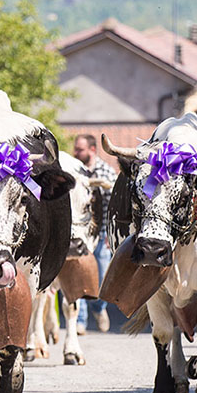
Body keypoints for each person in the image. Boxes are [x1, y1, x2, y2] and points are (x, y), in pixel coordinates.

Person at [72, 133, 117, 334]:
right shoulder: (74, 171)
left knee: (101, 275)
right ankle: (79, 321)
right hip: (80, 233)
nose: (76, 152)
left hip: (101, 234)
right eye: (76, 149)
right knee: (78, 273)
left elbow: (115, 205)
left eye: (80, 149)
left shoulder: (106, 172)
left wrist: (110, 234)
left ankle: (99, 309)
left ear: (92, 150)